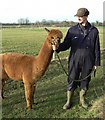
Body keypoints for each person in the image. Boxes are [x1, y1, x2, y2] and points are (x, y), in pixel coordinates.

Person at [56, 8, 101, 110]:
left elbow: (96, 47)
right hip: (74, 60)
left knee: (85, 80)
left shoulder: (94, 31)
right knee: (72, 79)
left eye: (80, 16)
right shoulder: (72, 30)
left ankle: (82, 100)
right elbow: (66, 44)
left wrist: (96, 63)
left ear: (86, 16)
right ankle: (68, 101)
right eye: (77, 16)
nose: (78, 18)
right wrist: (58, 47)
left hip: (89, 61)